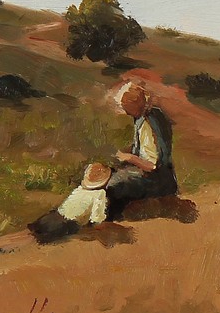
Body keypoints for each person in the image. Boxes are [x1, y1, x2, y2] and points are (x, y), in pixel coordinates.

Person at [104, 80, 177, 218]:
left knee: (112, 185)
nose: (124, 111)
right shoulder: (156, 113)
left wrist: (129, 157)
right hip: (167, 177)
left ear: (134, 105)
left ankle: (109, 218)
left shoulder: (147, 124)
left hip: (158, 181)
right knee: (115, 175)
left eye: (125, 107)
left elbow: (151, 165)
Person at [28, 161, 111, 243]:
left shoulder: (80, 189)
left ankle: (38, 227)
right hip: (71, 222)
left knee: (45, 223)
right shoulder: (100, 194)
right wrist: (98, 226)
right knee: (53, 232)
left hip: (58, 214)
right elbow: (96, 217)